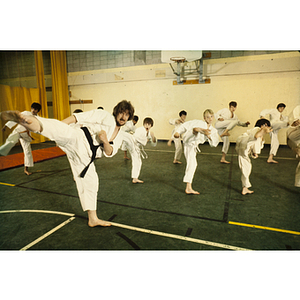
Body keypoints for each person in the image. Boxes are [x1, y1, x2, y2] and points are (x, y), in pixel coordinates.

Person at [0, 100, 140, 227]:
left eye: (127, 115)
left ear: (129, 117)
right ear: (116, 111)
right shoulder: (104, 115)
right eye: (121, 112)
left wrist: (104, 140)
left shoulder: (120, 134)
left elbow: (109, 152)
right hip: (79, 139)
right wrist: (60, 125)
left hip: (86, 157)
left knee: (92, 182)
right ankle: (23, 119)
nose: (123, 117)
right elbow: (77, 117)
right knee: (56, 128)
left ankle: (93, 219)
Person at [174, 109, 219, 195]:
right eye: (207, 117)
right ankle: (188, 188)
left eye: (211, 116)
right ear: (204, 118)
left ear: (213, 117)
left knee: (193, 164)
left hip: (192, 145)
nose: (210, 118)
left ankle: (188, 186)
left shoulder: (213, 130)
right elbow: (185, 125)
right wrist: (178, 132)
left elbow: (214, 144)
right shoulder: (198, 122)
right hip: (188, 140)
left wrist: (209, 136)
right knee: (192, 164)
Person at [0, 102, 41, 175]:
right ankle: (0, 152)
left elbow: (36, 127)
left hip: (26, 134)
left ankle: (26, 169)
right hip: (18, 131)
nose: (33, 110)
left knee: (27, 151)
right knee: (11, 142)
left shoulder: (37, 118)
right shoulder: (26, 113)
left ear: (38, 110)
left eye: (35, 109)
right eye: (32, 108)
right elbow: (15, 118)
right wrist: (5, 126)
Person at [235, 118, 272, 195]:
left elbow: (253, 140)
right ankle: (245, 188)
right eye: (268, 127)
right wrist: (255, 152)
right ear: (264, 125)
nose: (268, 130)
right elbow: (256, 137)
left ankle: (245, 187)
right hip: (244, 145)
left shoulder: (253, 129)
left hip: (240, 143)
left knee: (245, 166)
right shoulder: (258, 131)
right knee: (247, 168)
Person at [132, 117, 157, 184]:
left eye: (149, 125)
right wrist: (145, 140)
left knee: (138, 162)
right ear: (144, 124)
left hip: (136, 147)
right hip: (132, 145)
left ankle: (135, 178)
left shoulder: (148, 132)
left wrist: (153, 137)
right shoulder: (140, 130)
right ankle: (135, 178)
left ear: (151, 126)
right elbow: (135, 137)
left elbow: (153, 143)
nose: (147, 126)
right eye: (146, 124)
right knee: (137, 162)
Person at [286, 105, 300, 187]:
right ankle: (297, 150)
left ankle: (298, 183)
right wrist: (296, 121)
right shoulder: (298, 109)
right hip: (294, 134)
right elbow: (295, 121)